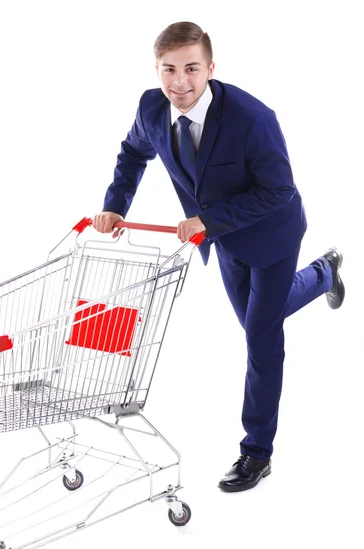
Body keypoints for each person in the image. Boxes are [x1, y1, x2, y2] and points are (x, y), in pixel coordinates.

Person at [92, 21, 345, 493]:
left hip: (273, 235)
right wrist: (114, 205)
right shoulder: (152, 109)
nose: (179, 82)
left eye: (191, 68)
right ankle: (325, 271)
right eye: (169, 69)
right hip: (225, 241)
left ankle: (256, 452)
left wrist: (209, 221)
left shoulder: (253, 118)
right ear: (157, 69)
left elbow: (278, 189)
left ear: (211, 68)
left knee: (261, 338)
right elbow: (132, 153)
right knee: (258, 317)